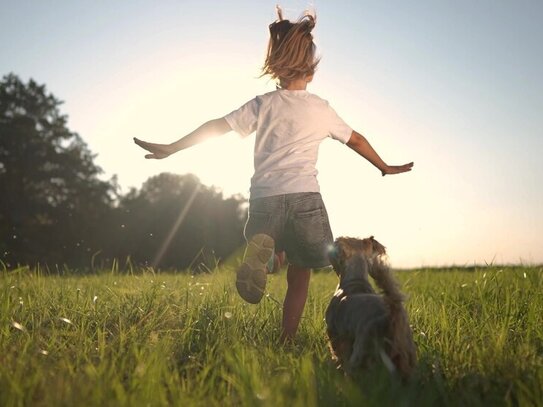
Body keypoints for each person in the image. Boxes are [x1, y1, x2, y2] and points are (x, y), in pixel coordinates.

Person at [134, 8, 413, 343]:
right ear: (310, 71)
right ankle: (286, 337)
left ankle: (268, 257)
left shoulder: (263, 104)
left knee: (270, 240)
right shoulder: (320, 108)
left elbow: (217, 126)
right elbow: (356, 139)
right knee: (301, 273)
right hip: (305, 199)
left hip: (265, 198)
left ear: (276, 68)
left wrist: (173, 147)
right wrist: (384, 166)